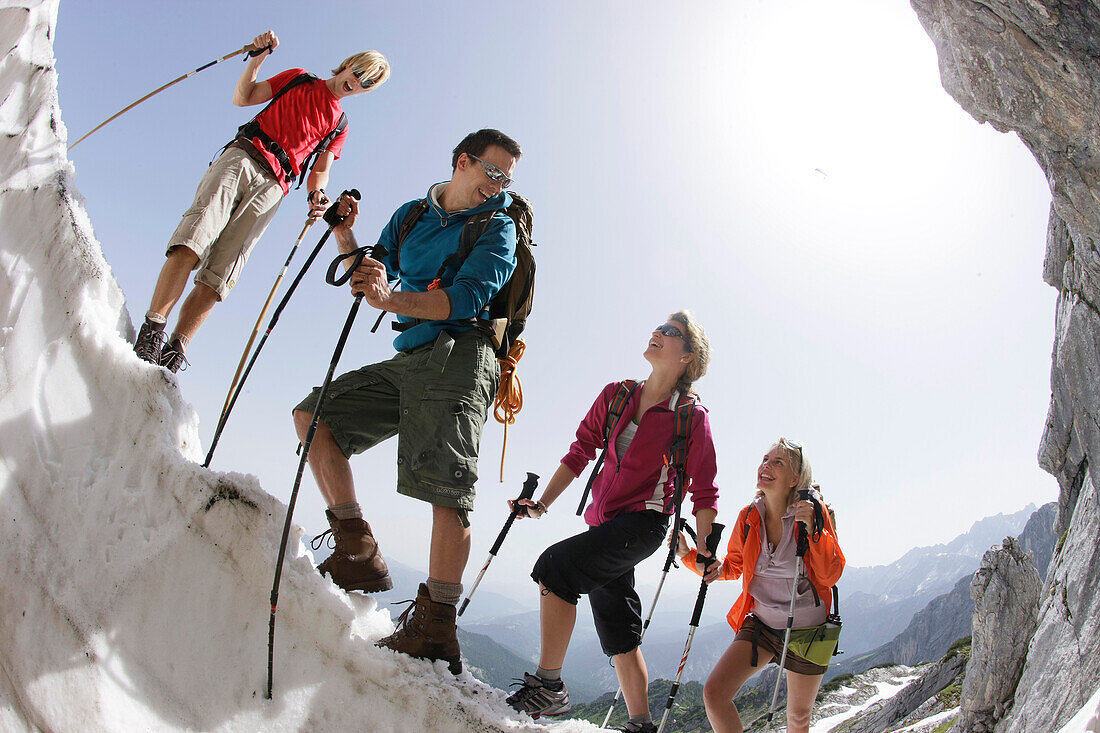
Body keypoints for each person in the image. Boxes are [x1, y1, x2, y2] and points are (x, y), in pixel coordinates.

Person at [292, 129, 523, 675]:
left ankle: (436, 626)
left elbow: (466, 298)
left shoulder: (500, 228)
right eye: (494, 173)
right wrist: (349, 240)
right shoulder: (412, 215)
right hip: (411, 355)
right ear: (462, 162)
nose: (500, 186)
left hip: (463, 355)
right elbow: (371, 272)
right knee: (314, 416)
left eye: (508, 179)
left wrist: (388, 297)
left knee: (447, 485)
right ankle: (357, 550)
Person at [505, 312, 719, 733]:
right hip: (604, 527)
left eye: (671, 332)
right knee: (618, 628)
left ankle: (549, 686)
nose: (657, 332)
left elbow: (705, 492)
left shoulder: (691, 417)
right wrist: (541, 504)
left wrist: (707, 548)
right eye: (658, 327)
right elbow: (580, 452)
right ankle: (641, 724)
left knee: (555, 569)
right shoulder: (617, 395)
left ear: (687, 358)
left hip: (643, 525)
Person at [133, 30, 390, 372]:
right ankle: (153, 329)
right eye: (359, 73)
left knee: (222, 273)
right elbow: (245, 97)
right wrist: (257, 58)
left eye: (367, 83)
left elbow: (320, 170)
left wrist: (318, 195)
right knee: (194, 238)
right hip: (243, 156)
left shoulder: (339, 124)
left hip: (274, 187)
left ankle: (174, 350)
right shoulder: (300, 79)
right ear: (347, 65)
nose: (358, 82)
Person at [675, 438, 845, 733]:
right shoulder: (750, 517)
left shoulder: (815, 513)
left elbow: (830, 575)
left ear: (795, 478)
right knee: (714, 694)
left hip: (808, 631)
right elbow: (732, 567)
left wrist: (815, 532)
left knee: (798, 717)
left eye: (777, 462)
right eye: (765, 459)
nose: (766, 466)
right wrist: (687, 555)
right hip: (763, 624)